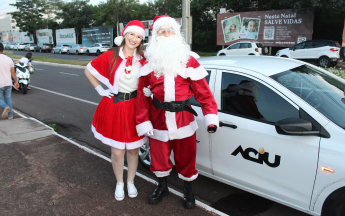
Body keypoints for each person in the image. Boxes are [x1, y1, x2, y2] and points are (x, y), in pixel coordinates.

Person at [135, 15, 219, 209]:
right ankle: (162, 186)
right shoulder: (148, 63)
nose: (166, 34)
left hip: (184, 120)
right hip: (158, 120)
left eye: (170, 30)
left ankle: (188, 190)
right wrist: (143, 121)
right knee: (159, 158)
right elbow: (142, 97)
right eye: (161, 31)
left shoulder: (189, 60)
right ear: (155, 36)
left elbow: (204, 94)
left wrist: (211, 117)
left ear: (176, 34)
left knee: (186, 158)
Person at [84, 20, 147, 201]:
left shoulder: (143, 60)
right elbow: (89, 70)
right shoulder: (111, 56)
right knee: (118, 151)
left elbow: (151, 78)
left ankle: (131, 181)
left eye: (138, 36)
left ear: (141, 40)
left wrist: (147, 90)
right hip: (115, 107)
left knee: (134, 150)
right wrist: (101, 90)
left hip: (135, 108)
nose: (134, 39)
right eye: (131, 34)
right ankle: (120, 182)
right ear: (124, 35)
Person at [0, 43, 19, 119]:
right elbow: (13, 72)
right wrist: (16, 81)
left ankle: (5, 107)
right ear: (3, 49)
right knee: (8, 98)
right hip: (8, 83)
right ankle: (10, 115)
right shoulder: (9, 59)